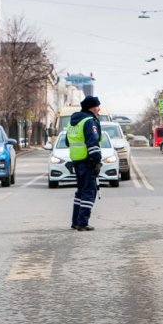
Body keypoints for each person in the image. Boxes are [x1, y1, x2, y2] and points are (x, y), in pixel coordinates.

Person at [67, 96, 103, 231]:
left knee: (80, 191)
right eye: (97, 106)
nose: (99, 109)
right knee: (89, 191)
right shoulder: (90, 121)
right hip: (88, 161)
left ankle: (75, 221)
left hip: (76, 160)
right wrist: (96, 160)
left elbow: (67, 141)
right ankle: (83, 222)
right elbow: (92, 142)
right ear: (92, 108)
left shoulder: (73, 122)